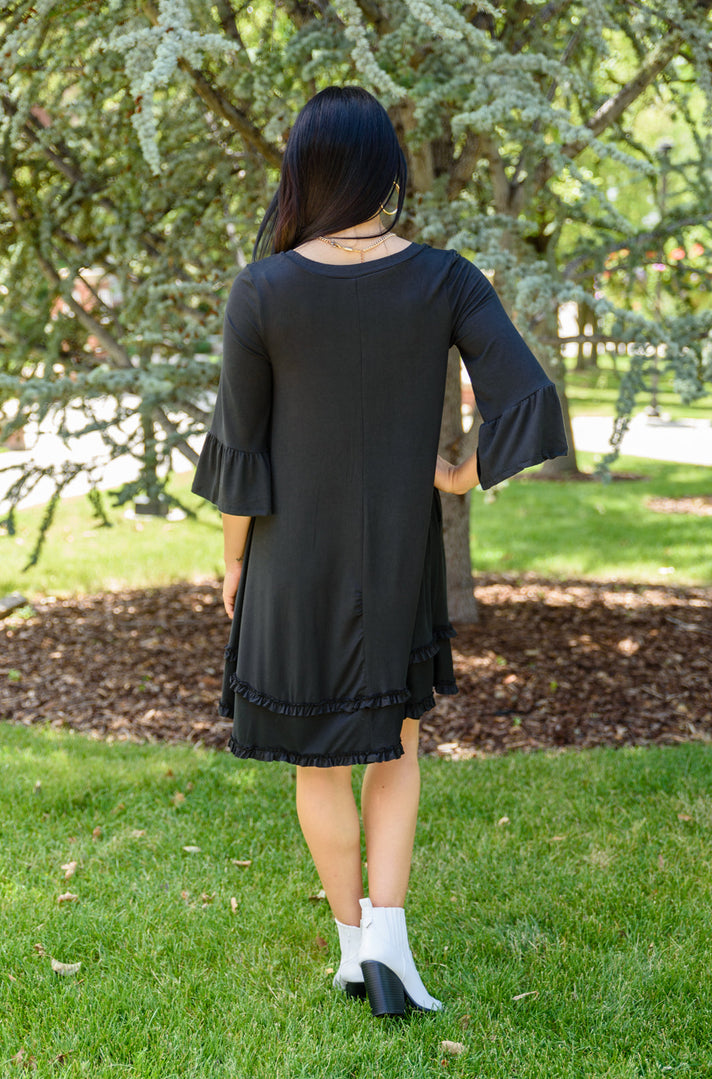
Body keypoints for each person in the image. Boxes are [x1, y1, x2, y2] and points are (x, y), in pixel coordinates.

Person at [192, 85, 567, 1018]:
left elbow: (241, 453)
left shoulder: (262, 289)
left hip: (290, 559)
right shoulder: (444, 277)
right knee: (396, 739)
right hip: (399, 558)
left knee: (318, 759)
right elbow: (526, 392)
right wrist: (459, 474)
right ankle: (389, 941)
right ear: (387, 170)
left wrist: (233, 562)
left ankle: (354, 946)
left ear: (302, 171)